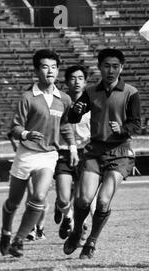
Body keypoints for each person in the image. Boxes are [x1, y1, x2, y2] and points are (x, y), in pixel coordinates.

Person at [0, 49, 77, 257]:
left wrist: (72, 146)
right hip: (25, 155)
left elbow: (66, 125)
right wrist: (26, 133)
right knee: (13, 202)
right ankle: (6, 232)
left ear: (58, 70)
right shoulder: (28, 97)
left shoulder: (65, 99)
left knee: (39, 196)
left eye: (54, 67)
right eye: (45, 66)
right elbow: (15, 128)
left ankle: (18, 240)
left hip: (48, 155)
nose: (50, 71)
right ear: (37, 70)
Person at [64, 48, 141, 259]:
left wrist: (123, 129)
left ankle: (92, 242)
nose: (111, 70)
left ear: (122, 68)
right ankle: (77, 231)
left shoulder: (131, 93)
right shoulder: (91, 92)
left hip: (121, 152)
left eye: (115, 66)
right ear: (99, 67)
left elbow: (136, 124)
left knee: (104, 201)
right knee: (82, 200)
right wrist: (75, 111)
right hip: (95, 152)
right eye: (107, 65)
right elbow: (72, 118)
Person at [53, 65, 92, 241]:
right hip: (63, 152)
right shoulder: (59, 101)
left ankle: (79, 225)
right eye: (73, 78)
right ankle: (67, 215)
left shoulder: (93, 103)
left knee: (82, 197)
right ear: (67, 81)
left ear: (85, 81)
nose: (76, 82)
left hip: (86, 153)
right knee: (63, 198)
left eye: (80, 78)